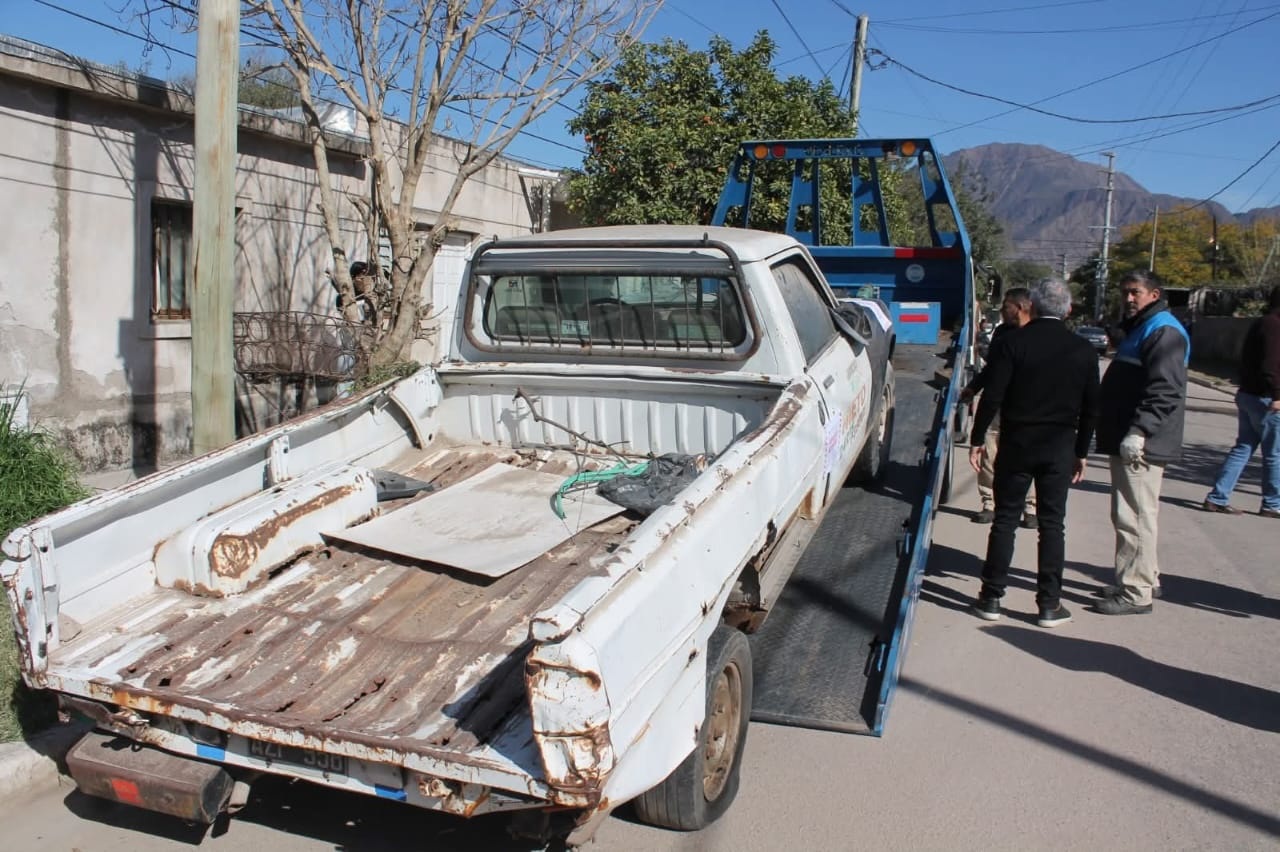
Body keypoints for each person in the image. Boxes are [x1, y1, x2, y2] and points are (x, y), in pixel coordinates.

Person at [969, 278, 1100, 628]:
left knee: (1006, 519)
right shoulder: (1084, 351)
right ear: (1068, 310)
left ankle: (991, 597)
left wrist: (978, 436)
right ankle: (1049, 604)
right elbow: (1091, 408)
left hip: (1017, 442)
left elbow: (993, 394)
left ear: (1035, 307)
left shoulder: (1013, 343)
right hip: (1059, 446)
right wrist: (1082, 451)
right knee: (1052, 524)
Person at [1094, 269, 1189, 615]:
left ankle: (1136, 592)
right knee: (1135, 513)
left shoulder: (1163, 330)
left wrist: (1140, 431)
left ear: (1154, 293)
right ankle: (1141, 576)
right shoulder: (1145, 327)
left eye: (1135, 292)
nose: (1128, 298)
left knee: (1133, 515)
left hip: (1141, 442)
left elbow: (1165, 389)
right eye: (1125, 293)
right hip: (1131, 436)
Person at [961, 288, 1037, 527]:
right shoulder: (1002, 333)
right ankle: (989, 503)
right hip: (998, 406)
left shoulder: (1038, 333)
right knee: (989, 455)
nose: (1002, 311)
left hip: (1029, 408)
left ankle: (1030, 506)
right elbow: (992, 369)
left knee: (1028, 459)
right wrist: (973, 387)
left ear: (1021, 308)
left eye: (1007, 307)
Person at [1201, 285, 1280, 518]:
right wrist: (1277, 395)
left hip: (1249, 395)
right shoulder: (1274, 325)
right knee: (1274, 454)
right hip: (1265, 399)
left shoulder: (1263, 322)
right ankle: (1273, 504)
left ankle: (1217, 497)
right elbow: (1271, 366)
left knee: (1243, 448)